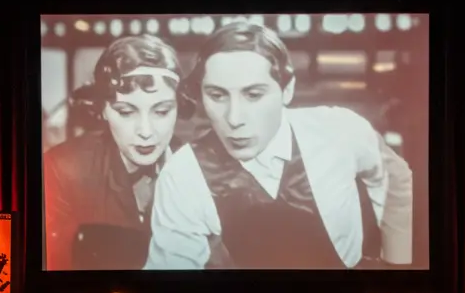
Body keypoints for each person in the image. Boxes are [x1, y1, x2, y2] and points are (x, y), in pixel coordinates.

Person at [144, 21, 412, 270]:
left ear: (287, 90)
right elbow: (172, 275)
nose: (234, 119)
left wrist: (397, 267)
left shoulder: (338, 130)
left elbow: (396, 180)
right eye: (217, 95)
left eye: (254, 95)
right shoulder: (183, 174)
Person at [44, 34, 181, 270]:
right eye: (126, 112)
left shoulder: (200, 169)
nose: (146, 132)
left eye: (161, 111)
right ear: (103, 109)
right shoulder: (62, 169)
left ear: (178, 106)